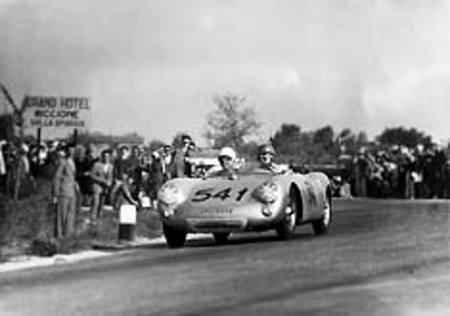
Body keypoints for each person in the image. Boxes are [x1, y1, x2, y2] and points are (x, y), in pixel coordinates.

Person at [52, 144, 79, 238]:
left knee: (71, 213)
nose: (72, 152)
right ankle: (59, 234)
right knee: (62, 214)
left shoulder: (73, 162)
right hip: (63, 191)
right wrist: (56, 193)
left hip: (72, 191)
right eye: (70, 150)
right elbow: (57, 177)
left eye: (74, 151)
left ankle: (68, 233)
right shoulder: (63, 162)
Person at [89, 149, 114, 224]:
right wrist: (103, 181)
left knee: (101, 204)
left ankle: (99, 219)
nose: (106, 158)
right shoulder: (97, 165)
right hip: (97, 186)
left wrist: (110, 182)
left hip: (105, 188)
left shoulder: (111, 166)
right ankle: (93, 219)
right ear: (102, 157)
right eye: (105, 156)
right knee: (96, 202)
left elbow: (111, 176)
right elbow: (92, 175)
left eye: (108, 156)